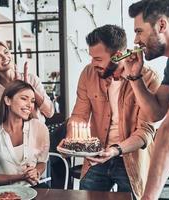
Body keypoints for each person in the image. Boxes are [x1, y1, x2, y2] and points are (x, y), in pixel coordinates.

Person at [64, 25, 159, 199]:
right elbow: (79, 115)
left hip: (131, 159)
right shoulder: (88, 73)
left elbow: (145, 132)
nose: (93, 64)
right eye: (91, 58)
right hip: (95, 156)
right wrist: (73, 142)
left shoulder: (149, 79)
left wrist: (114, 150)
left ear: (117, 56)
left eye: (98, 59)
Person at [127, 1, 169, 199]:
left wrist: (148, 197)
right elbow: (156, 112)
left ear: (162, 26)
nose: (136, 40)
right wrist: (134, 77)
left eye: (139, 31)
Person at [0, 80, 49, 186]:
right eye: (24, 98)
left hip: (35, 191)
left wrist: (36, 172)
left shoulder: (39, 127)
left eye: (32, 101)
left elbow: (42, 162)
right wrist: (21, 177)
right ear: (8, 100)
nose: (29, 105)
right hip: (4, 194)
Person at [0, 40, 54, 123]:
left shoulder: (32, 79)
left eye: (6, 52)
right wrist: (14, 91)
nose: (5, 58)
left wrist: (29, 88)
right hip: (11, 135)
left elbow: (49, 112)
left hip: (38, 132)